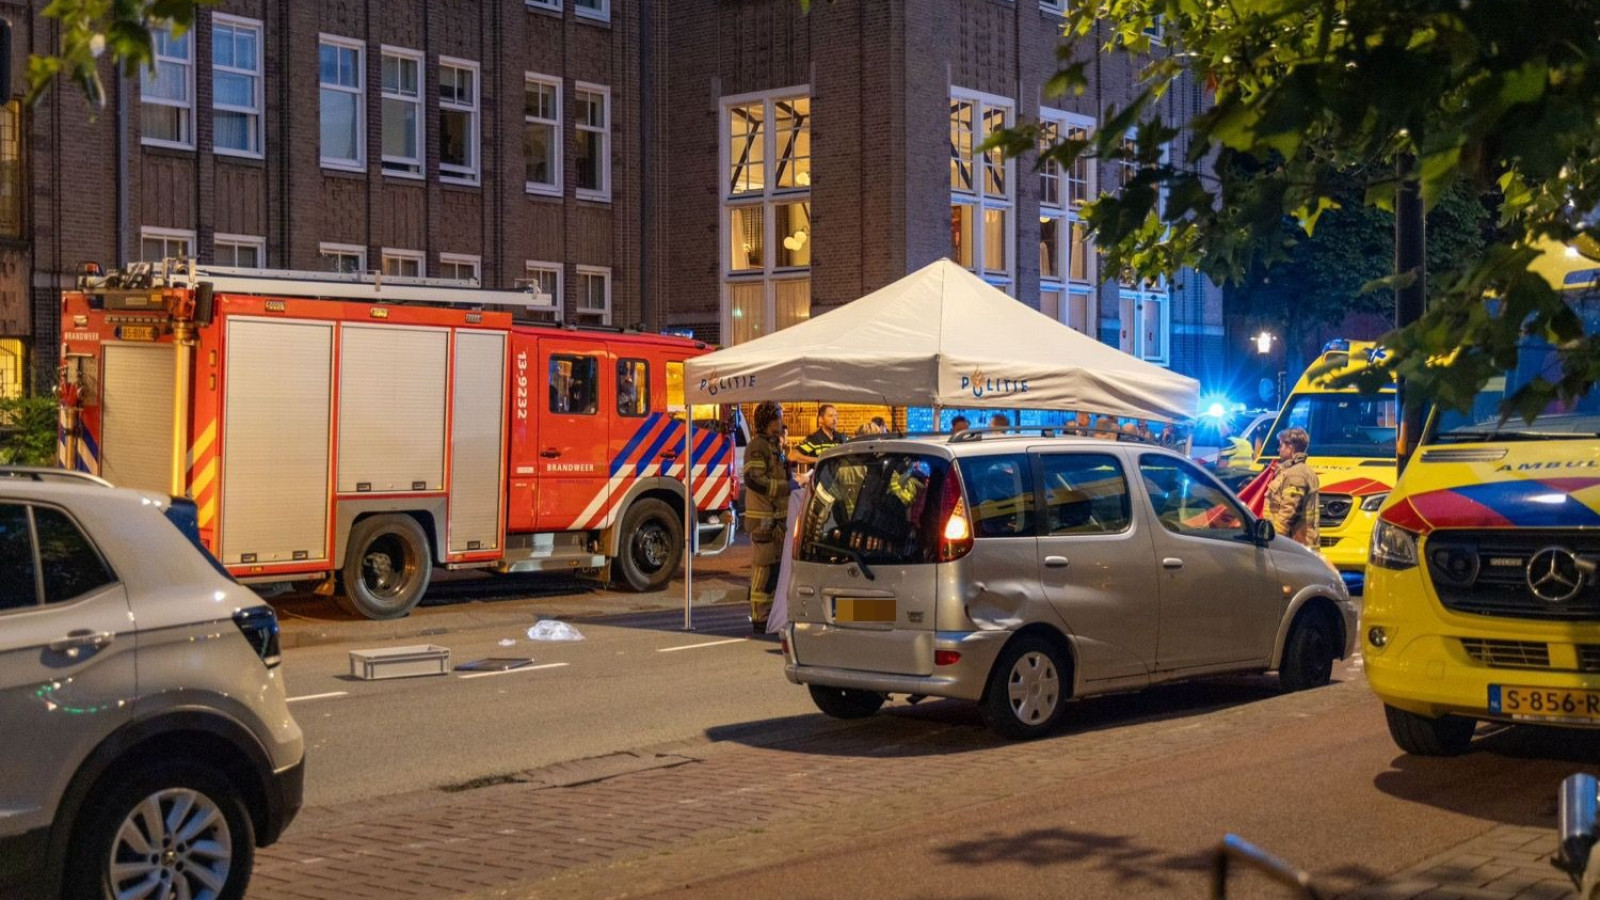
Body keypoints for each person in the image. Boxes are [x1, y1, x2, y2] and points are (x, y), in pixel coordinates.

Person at [743, 401, 792, 632]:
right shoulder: (757, 446)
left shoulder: (774, 446)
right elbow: (755, 479)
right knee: (763, 568)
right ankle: (759, 617)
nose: (782, 422)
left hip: (776, 518)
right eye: (779, 417)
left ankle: (770, 614)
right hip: (762, 518)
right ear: (770, 420)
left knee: (774, 568)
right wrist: (785, 487)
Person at [1264, 426, 1321, 551]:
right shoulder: (1300, 470)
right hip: (1301, 544)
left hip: (1294, 546)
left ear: (1290, 447)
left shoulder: (1296, 474)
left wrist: (1273, 539)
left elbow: (1288, 512)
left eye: (1281, 445)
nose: (1279, 449)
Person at [790, 403, 842, 470]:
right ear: (820, 419)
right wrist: (819, 460)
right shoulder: (814, 439)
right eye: (830, 416)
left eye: (835, 416)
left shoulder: (841, 438)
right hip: (821, 479)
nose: (834, 419)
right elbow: (792, 456)